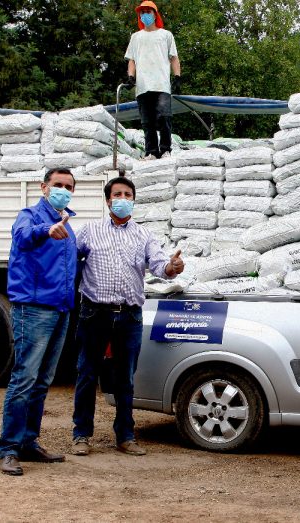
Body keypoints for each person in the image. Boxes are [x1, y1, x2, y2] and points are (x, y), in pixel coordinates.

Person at [71, 176, 184, 457]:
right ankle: (81, 435)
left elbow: (160, 266)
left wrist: (173, 266)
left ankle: (125, 435)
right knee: (87, 374)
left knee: (126, 378)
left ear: (133, 199)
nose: (123, 198)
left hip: (129, 315)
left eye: (128, 194)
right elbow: (71, 261)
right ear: (108, 200)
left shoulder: (143, 235)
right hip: (95, 312)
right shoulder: (89, 231)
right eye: (117, 194)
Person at [0, 168, 78, 476]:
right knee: (24, 379)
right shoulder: (29, 215)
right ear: (44, 187)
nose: (63, 190)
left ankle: (28, 442)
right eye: (58, 185)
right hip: (33, 309)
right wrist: (46, 231)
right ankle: (8, 449)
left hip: (59, 309)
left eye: (68, 186)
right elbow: (22, 236)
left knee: (42, 381)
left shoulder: (68, 224)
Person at [125, 0, 181, 160]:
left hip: (161, 84)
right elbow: (132, 60)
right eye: (142, 12)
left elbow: (174, 58)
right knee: (147, 122)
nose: (145, 15)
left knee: (164, 117)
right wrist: (131, 77)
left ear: (155, 14)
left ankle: (165, 150)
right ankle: (151, 152)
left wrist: (177, 77)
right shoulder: (136, 37)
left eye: (148, 12)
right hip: (142, 86)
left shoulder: (165, 35)